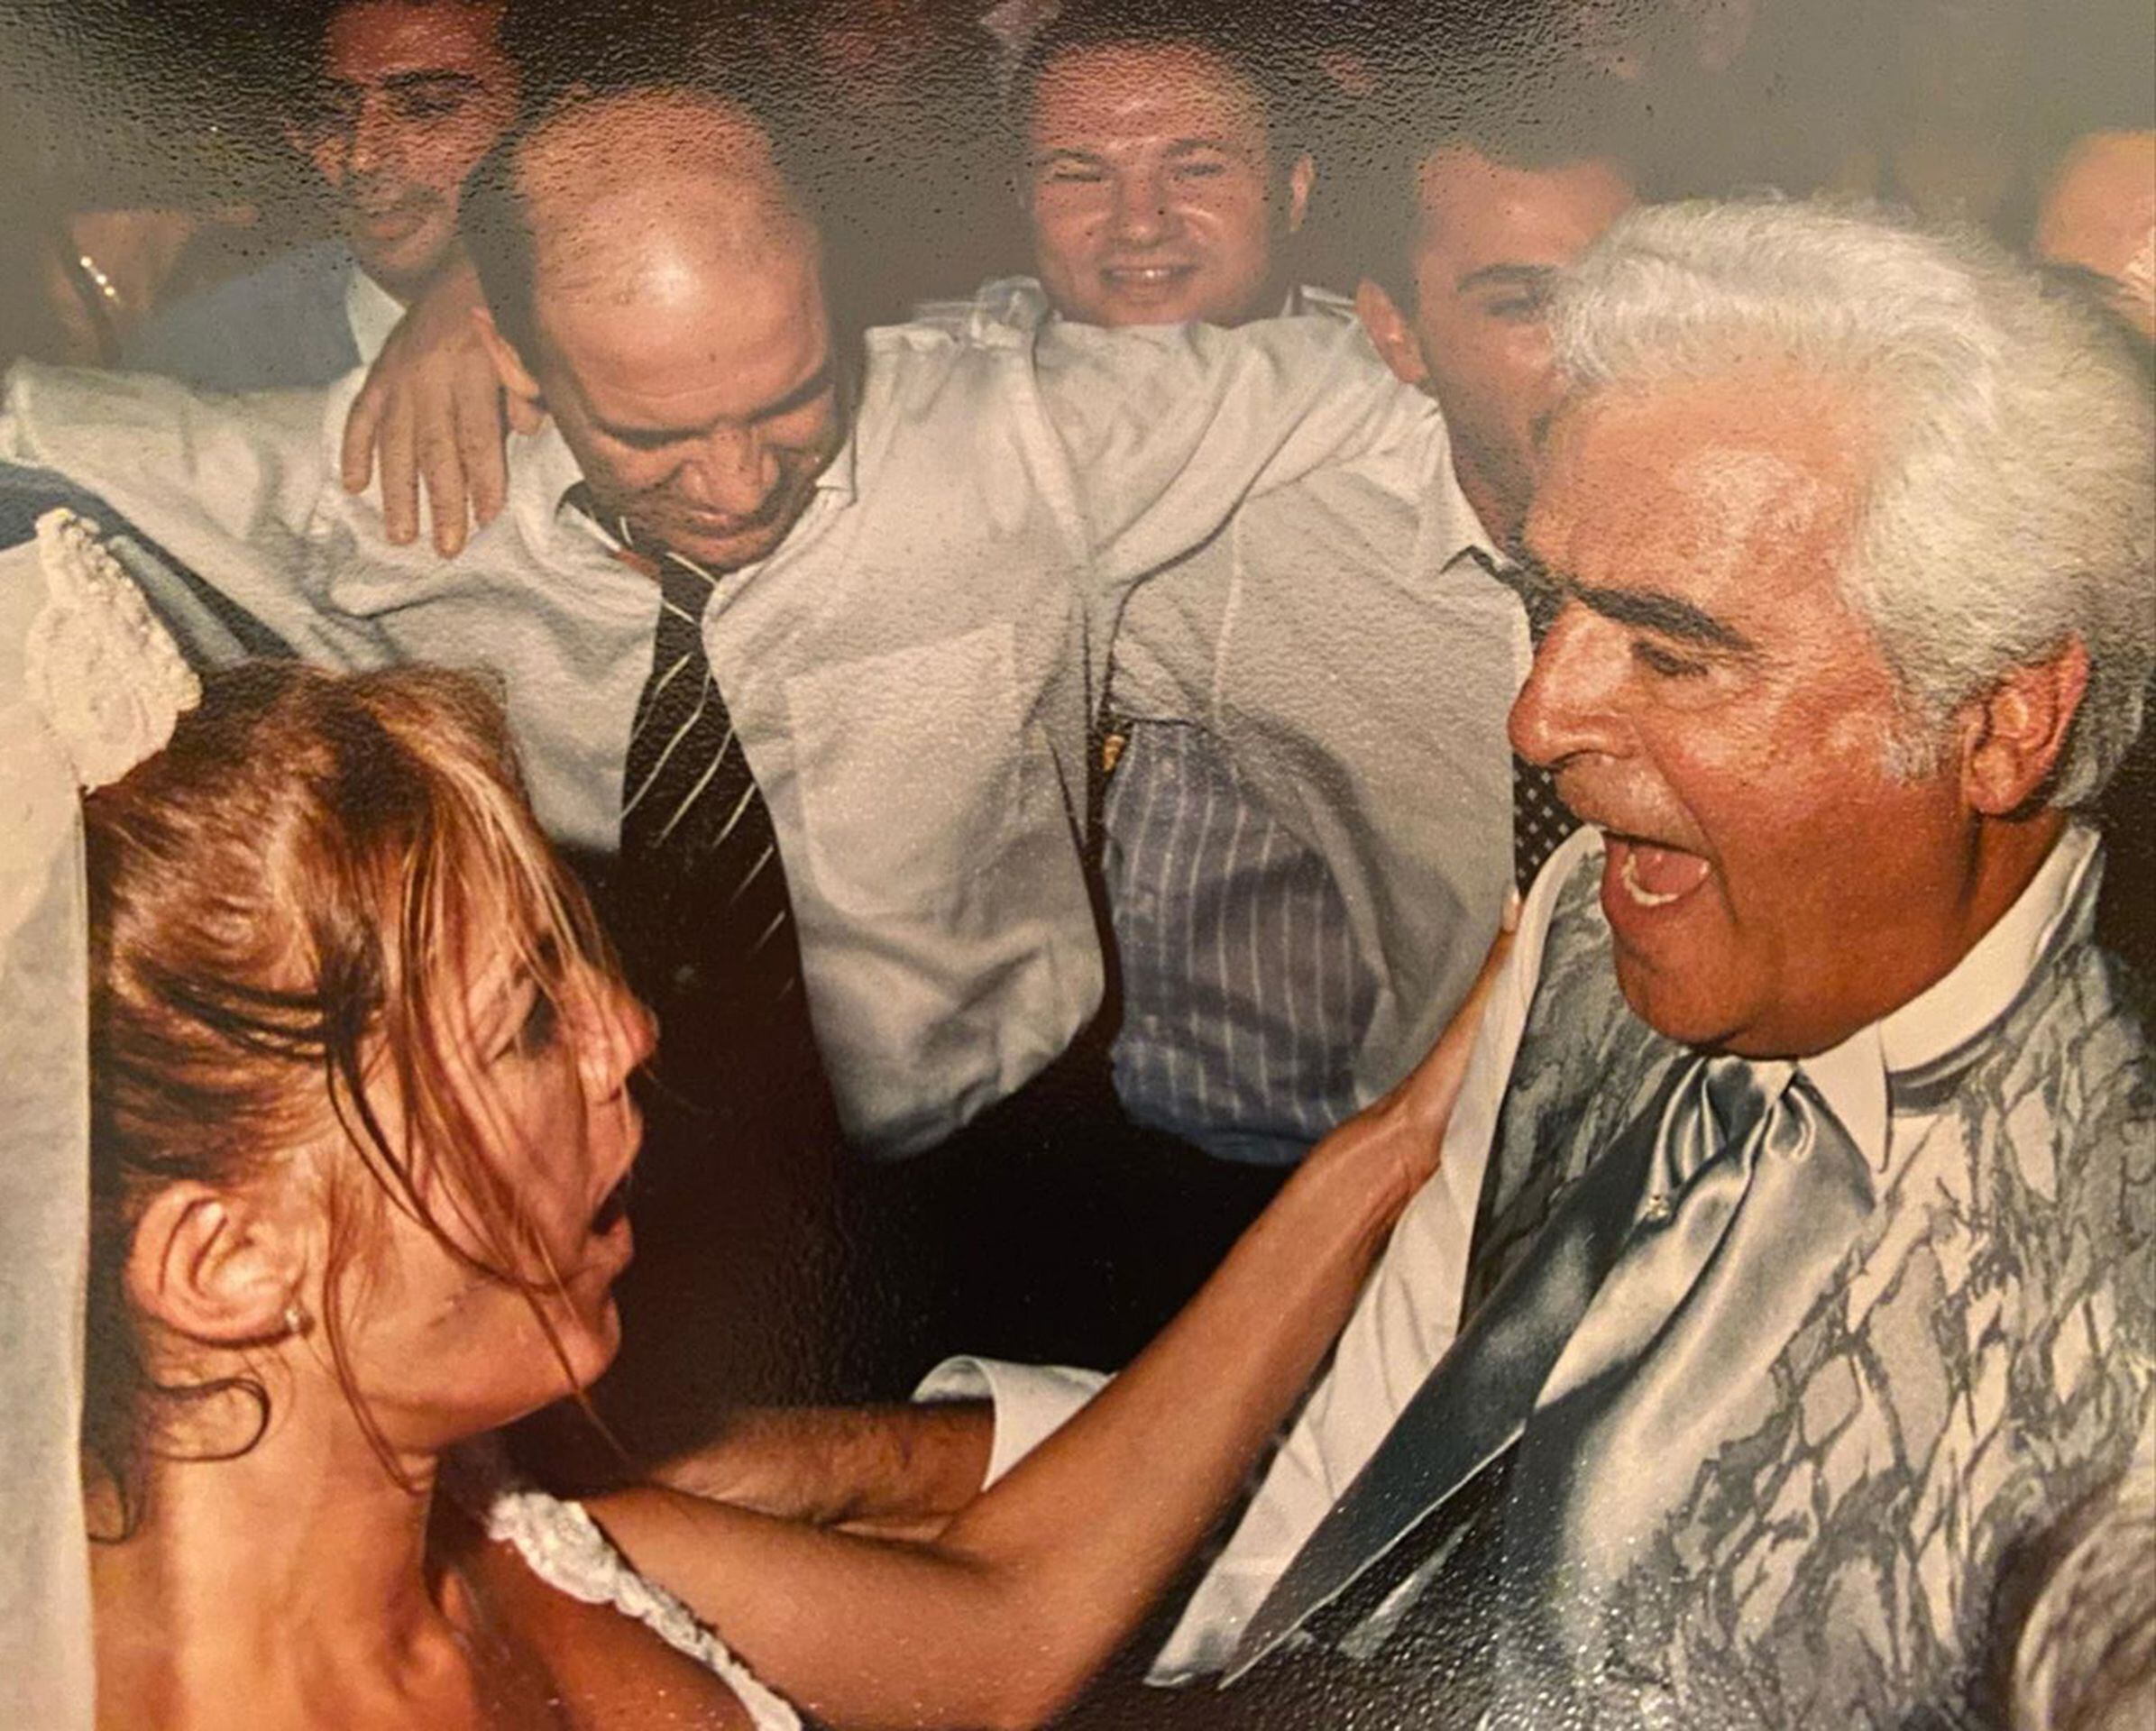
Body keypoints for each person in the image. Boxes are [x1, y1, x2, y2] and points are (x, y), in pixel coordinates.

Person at [681, 199, 2156, 1728]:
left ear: (2002, 722)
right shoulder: (1591, 914)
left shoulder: (2111, 1350)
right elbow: (1365, 1483)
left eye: (1670, 653)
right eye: (1554, 605)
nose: (1535, 718)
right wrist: (871, 1465)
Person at [0, 510, 1496, 1729]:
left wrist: (1394, 1146)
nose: (629, 1033)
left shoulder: (498, 1535)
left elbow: (1002, 1633)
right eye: (527, 1024)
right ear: (225, 1263)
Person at [1096, 97, 1635, 1168]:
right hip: (1438, 1177)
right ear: (1397, 334)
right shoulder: (1259, 554)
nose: (1599, 357)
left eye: (1630, 296)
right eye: (1523, 305)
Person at [120, 0, 520, 390]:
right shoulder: (202, 358)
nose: (362, 157)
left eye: (427, 107)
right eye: (333, 113)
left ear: (537, 124)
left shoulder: (556, 321)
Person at [1008, 0, 1316, 330]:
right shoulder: (968, 354)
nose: (1140, 229)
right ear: (1023, 197)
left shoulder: (1356, 359)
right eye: (1081, 177)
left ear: (1293, 193)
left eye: (1195, 171)